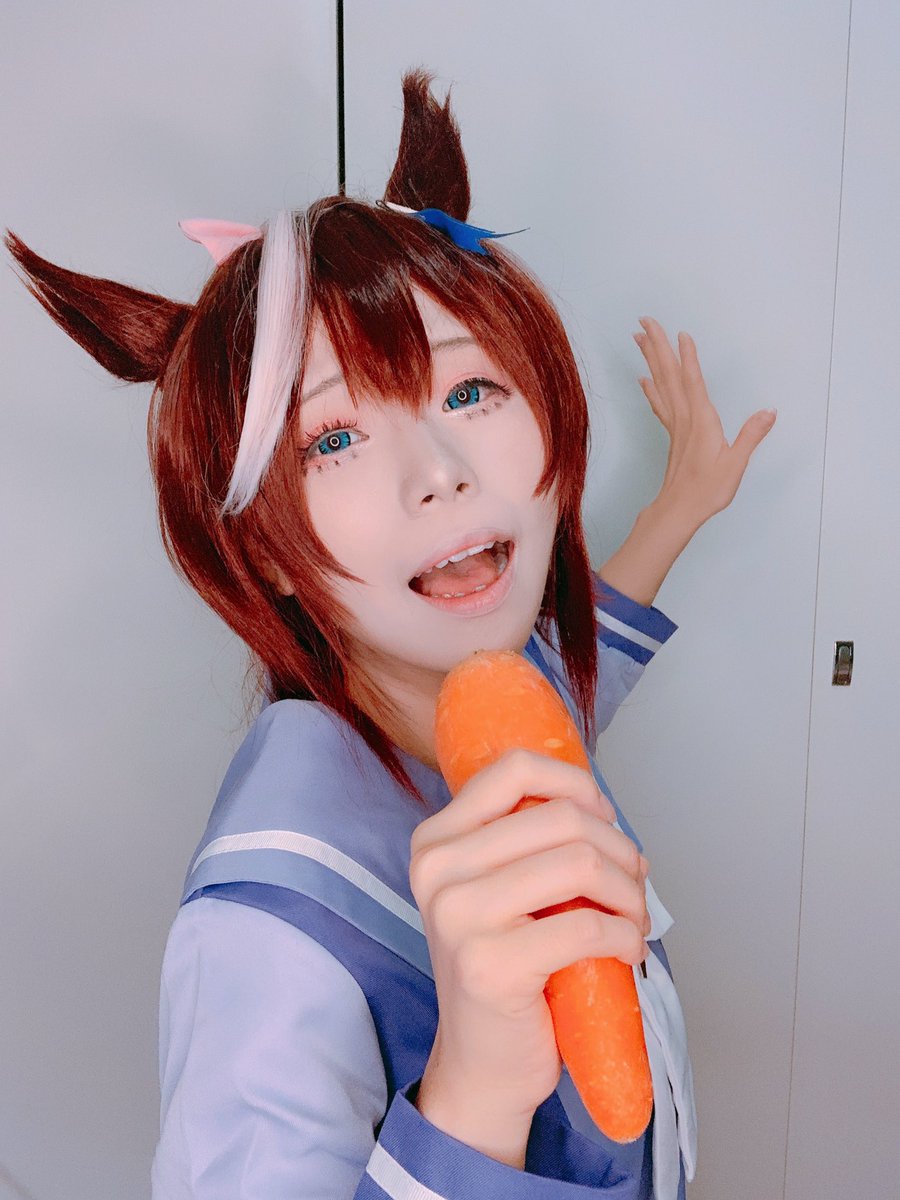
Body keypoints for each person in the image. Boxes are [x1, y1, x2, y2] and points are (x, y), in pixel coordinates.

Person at [6, 69, 775, 1199]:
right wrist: (473, 1099)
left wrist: (680, 507)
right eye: (332, 441)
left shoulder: (489, 690)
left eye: (468, 394)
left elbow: (574, 681)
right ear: (265, 551)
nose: (441, 474)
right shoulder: (267, 933)